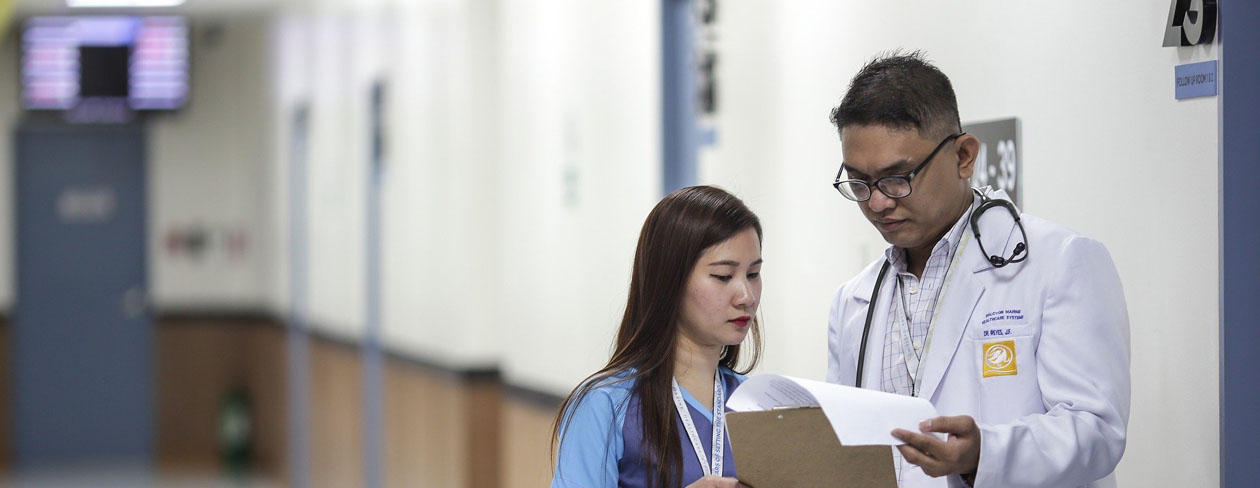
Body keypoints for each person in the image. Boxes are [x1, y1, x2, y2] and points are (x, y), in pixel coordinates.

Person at [824, 51, 1130, 488]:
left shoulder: (1060, 262)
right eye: (858, 182)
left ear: (964, 156)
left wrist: (983, 452)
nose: (877, 202)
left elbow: (1097, 431)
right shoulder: (854, 301)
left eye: (897, 178)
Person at [551, 185, 762, 488]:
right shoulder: (606, 404)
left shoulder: (756, 403)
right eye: (723, 277)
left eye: (753, 274)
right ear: (669, 281)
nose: (746, 296)